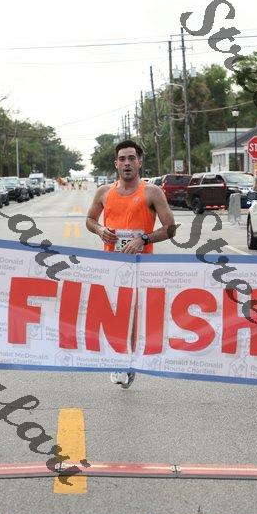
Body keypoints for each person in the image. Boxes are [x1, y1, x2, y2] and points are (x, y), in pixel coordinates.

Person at [86, 139, 177, 388]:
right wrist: (100, 229)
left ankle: (125, 361)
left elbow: (170, 229)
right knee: (112, 313)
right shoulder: (104, 192)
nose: (127, 163)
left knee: (132, 314)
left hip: (140, 266)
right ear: (116, 164)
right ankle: (122, 358)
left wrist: (144, 239)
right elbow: (90, 220)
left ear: (139, 162)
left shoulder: (152, 192)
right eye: (122, 159)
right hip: (111, 264)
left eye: (131, 158)